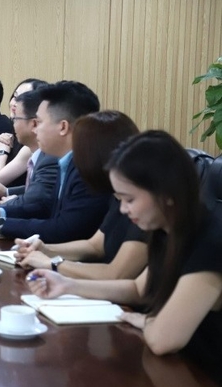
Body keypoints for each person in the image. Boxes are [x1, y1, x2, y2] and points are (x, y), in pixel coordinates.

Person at [27, 131, 222, 384]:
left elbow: (163, 340)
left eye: (129, 199)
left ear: (167, 194)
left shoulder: (210, 241)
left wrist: (146, 320)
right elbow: (138, 289)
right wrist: (66, 284)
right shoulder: (168, 230)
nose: (122, 209)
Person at [0, 81, 109, 243]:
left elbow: (63, 229)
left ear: (63, 127)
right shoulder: (67, 162)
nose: (35, 129)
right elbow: (45, 207)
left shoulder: (87, 170)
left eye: (39, 123)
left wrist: (0, 224)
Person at [14, 111, 148, 279]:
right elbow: (95, 246)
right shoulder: (118, 195)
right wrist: (46, 250)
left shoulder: (143, 202)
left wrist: (52, 264)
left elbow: (115, 273)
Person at [0, 89, 59, 218]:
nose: (13, 123)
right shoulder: (35, 151)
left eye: (16, 118)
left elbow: (38, 201)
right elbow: (36, 189)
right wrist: (7, 192)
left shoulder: (50, 158)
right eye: (15, 96)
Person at [0, 79, 48, 189]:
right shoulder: (13, 134)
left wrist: (3, 151)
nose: (15, 103)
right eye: (15, 96)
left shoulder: (32, 144)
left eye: (23, 98)